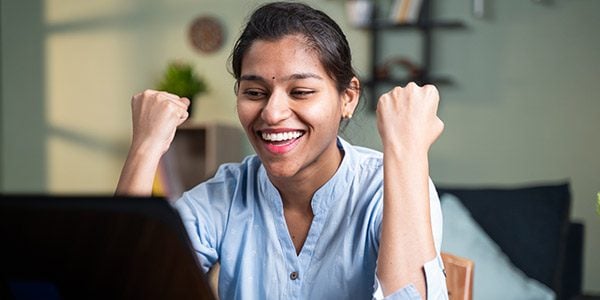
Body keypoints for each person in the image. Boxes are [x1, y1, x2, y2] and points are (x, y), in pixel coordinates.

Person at [116, 2, 447, 299]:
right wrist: (145, 148)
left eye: (300, 91)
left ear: (347, 98)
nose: (272, 114)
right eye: (255, 92)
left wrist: (406, 151)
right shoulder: (225, 195)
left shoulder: (390, 186)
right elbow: (123, 283)